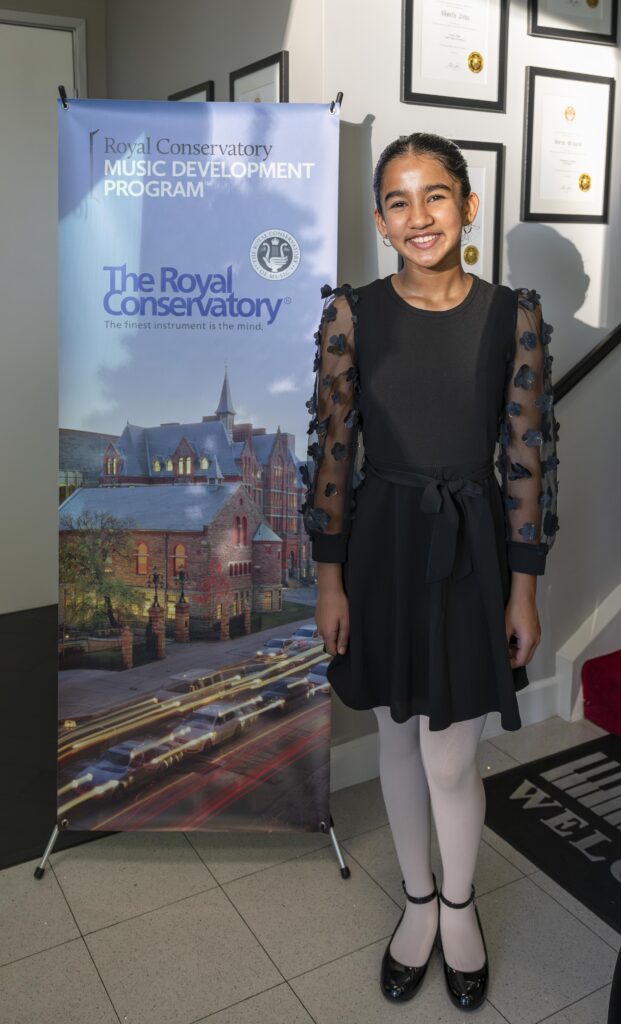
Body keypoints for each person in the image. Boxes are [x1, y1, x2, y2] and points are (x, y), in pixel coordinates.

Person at [300, 132, 559, 1011]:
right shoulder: (351, 315)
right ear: (379, 220)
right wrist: (328, 580)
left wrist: (523, 588)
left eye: (435, 195)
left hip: (470, 549)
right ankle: (416, 902)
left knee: (450, 755)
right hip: (379, 547)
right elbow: (333, 452)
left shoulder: (511, 315)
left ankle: (457, 906)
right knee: (397, 736)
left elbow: (525, 459)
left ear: (467, 207)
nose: (419, 216)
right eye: (398, 201)